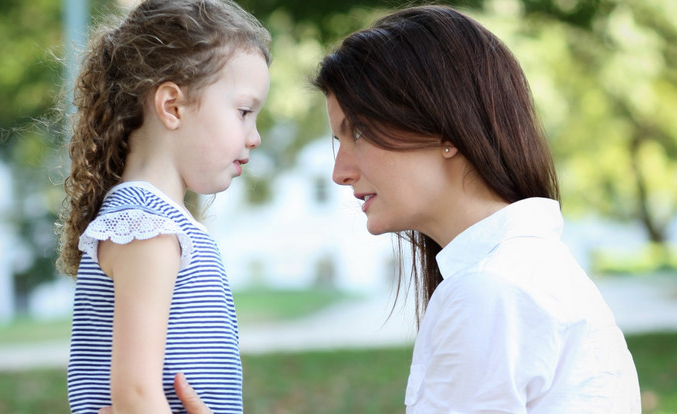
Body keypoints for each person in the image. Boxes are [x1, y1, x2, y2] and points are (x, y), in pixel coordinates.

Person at [165, 4, 642, 414]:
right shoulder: (521, 270)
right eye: (338, 139)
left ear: (446, 131)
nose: (341, 172)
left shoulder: (493, 291)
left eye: (360, 131)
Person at [56, 0, 270, 412]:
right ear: (172, 106)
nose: (254, 136)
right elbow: (136, 394)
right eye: (244, 112)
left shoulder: (161, 224)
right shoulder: (146, 229)